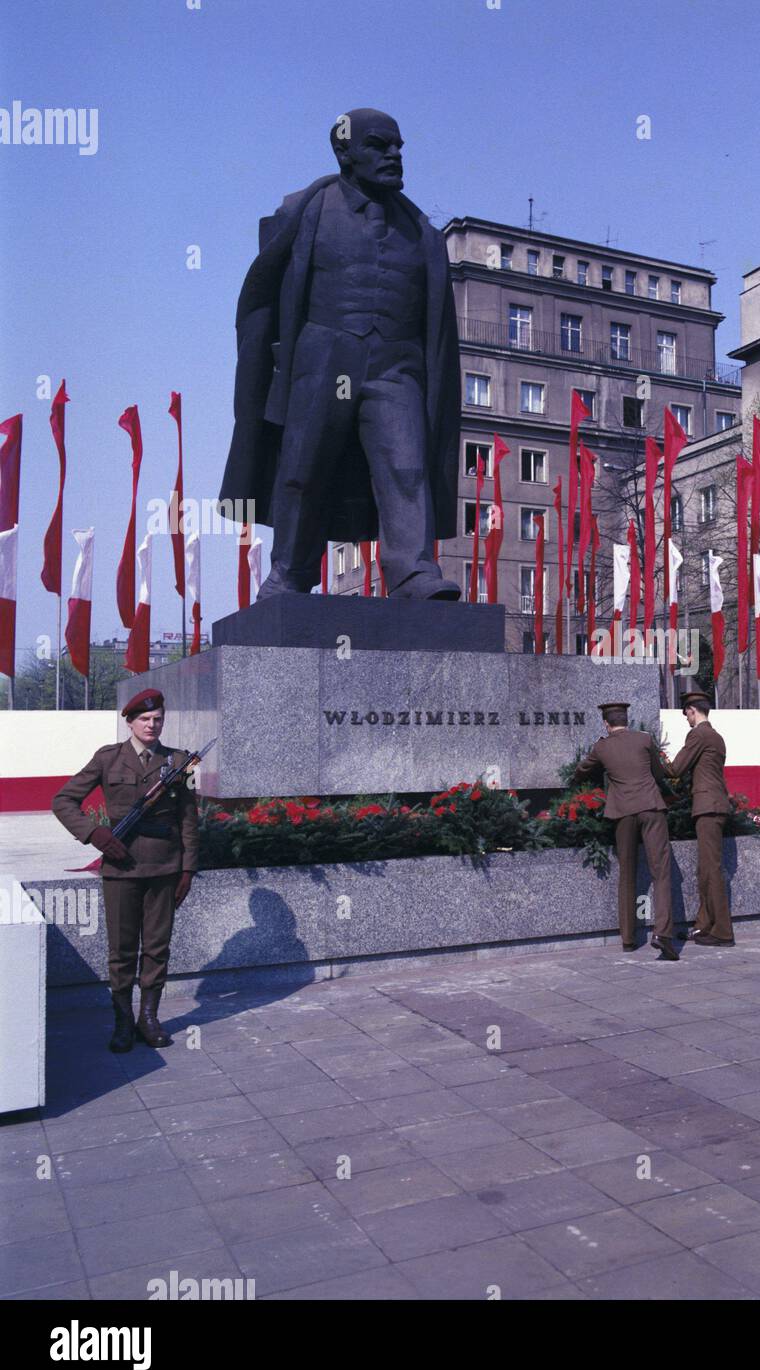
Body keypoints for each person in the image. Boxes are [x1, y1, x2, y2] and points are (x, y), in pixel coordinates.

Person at [221, 109, 462, 601]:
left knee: (407, 465)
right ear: (344, 152)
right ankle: (290, 572)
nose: (394, 155)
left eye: (398, 146)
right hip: (323, 353)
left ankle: (414, 572)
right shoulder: (307, 209)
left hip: (397, 363)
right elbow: (268, 289)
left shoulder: (421, 231)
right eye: (378, 145)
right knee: (303, 467)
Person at [51, 690, 199, 1052]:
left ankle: (148, 1018)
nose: (152, 725)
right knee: (120, 950)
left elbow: (189, 820)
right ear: (130, 721)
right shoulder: (108, 759)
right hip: (121, 868)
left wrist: (188, 869)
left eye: (158, 719)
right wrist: (94, 833)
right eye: (144, 719)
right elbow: (63, 800)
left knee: (157, 948)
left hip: (164, 868)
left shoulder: (178, 761)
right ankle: (122, 1021)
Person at [574, 702, 678, 957]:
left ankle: (628, 939)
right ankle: (662, 933)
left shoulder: (601, 747)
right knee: (661, 873)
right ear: (627, 720)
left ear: (606, 724)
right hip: (651, 808)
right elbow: (659, 773)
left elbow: (581, 771)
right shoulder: (644, 740)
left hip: (622, 813)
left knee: (627, 875)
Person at [665, 690, 735, 946]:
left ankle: (723, 932)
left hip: (707, 807)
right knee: (705, 869)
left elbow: (676, 768)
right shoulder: (716, 736)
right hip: (715, 805)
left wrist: (653, 759)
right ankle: (704, 925)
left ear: (693, 711)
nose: (687, 720)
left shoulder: (699, 734)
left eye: (687, 715)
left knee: (711, 870)